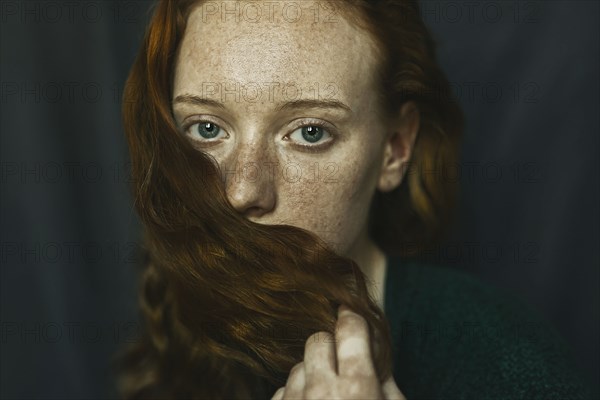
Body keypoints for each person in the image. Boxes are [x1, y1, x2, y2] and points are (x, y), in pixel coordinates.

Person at [116, 0, 593, 398]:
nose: (242, 191)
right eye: (207, 128)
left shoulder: (500, 358)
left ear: (394, 149)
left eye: (309, 131)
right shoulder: (176, 329)